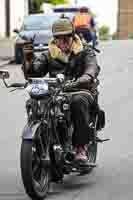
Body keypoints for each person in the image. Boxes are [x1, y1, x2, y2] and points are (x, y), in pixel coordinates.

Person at [23, 18, 100, 167]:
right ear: (54, 39)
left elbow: (92, 67)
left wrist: (85, 78)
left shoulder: (85, 51)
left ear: (73, 36)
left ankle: (80, 148)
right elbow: (34, 72)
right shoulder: (49, 54)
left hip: (80, 89)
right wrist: (28, 55)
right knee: (35, 102)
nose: (63, 41)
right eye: (58, 37)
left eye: (67, 37)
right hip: (56, 91)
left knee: (78, 102)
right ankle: (41, 140)